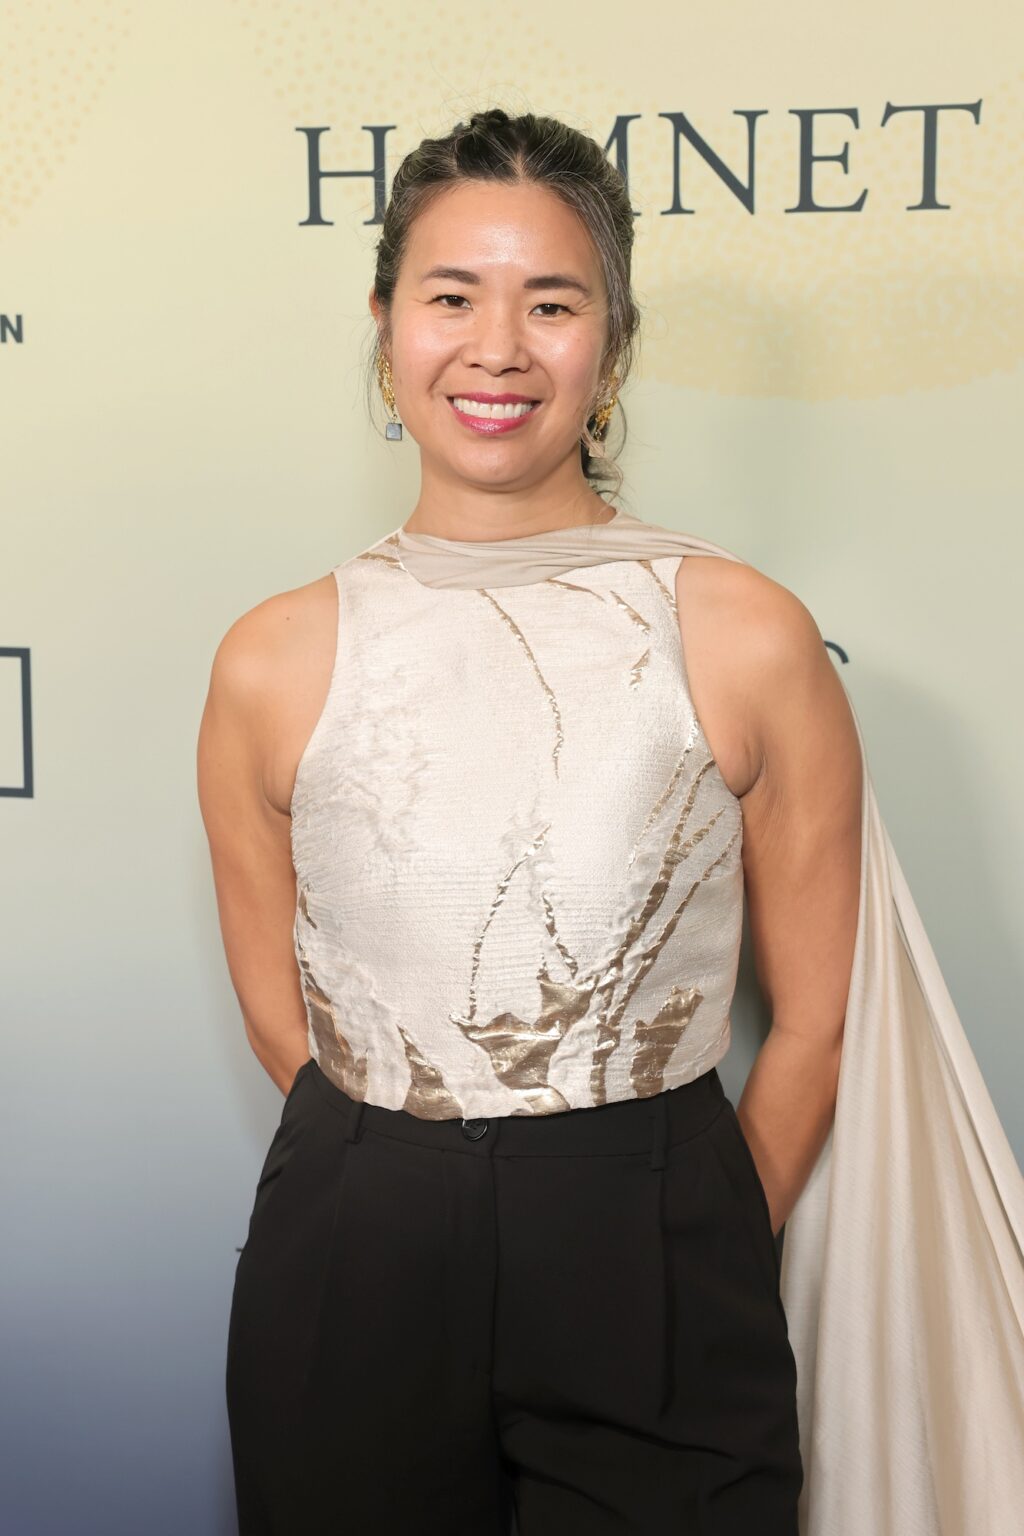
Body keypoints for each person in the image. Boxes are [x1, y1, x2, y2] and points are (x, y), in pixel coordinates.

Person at [197, 109, 1024, 1536]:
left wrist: (671, 1228)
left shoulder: (744, 630)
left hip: (656, 1241)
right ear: (387, 320)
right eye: (452, 295)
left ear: (614, 341)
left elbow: (819, 1023)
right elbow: (284, 1007)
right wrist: (416, 1178)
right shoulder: (271, 655)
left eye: (554, 301)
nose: (499, 347)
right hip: (355, 1246)